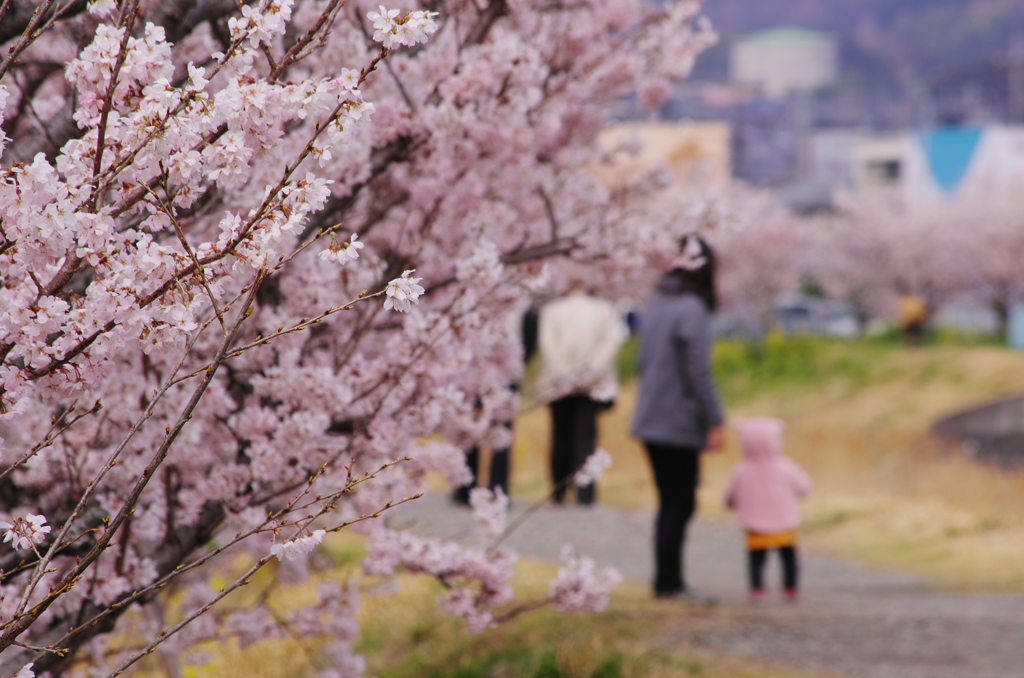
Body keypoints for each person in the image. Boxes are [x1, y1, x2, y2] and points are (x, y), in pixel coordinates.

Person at [631, 235, 725, 599]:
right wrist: (714, 419)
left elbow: (643, 362)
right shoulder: (691, 308)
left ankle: (666, 580)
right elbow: (698, 372)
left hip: (650, 416)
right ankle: (669, 583)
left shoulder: (658, 303)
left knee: (669, 501)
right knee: (680, 502)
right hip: (676, 421)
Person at [536, 289, 628, 504]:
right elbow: (610, 344)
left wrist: (564, 373)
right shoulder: (606, 310)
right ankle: (585, 492)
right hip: (592, 385)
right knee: (586, 436)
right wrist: (590, 372)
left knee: (560, 435)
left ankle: (558, 489)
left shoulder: (552, 310)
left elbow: (548, 345)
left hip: (558, 384)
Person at [724, 417, 811, 602]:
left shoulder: (742, 469)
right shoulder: (786, 466)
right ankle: (790, 587)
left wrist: (730, 504)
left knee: (756, 558)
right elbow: (804, 487)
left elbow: (731, 494)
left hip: (754, 523)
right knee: (788, 557)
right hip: (783, 522)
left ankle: (757, 588)